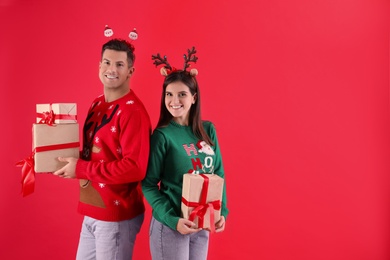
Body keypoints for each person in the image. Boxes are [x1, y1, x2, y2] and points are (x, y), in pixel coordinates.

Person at [53, 38, 151, 260]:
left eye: (119, 65)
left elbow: (135, 168)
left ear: (130, 71)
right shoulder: (98, 103)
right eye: (107, 63)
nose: (111, 70)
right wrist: (57, 159)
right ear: (99, 66)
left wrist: (81, 168)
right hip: (93, 208)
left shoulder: (132, 112)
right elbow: (94, 155)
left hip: (115, 216)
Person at [142, 47, 229, 260]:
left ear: (194, 97)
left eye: (182, 94)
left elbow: (218, 175)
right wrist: (173, 220)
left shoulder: (208, 130)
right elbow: (148, 184)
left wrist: (221, 213)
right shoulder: (162, 136)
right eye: (169, 94)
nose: (175, 101)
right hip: (171, 226)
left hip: (201, 225)